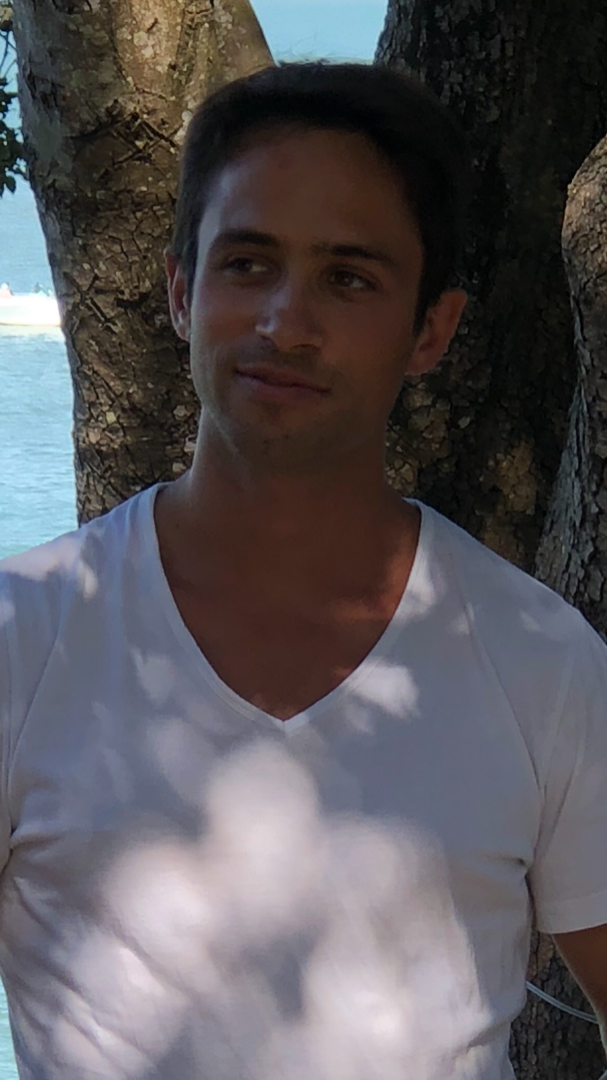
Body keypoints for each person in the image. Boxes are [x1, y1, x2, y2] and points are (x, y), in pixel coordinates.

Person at [0, 62, 606, 1080]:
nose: (285, 323)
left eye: (348, 278)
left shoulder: (539, 663)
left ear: (431, 329)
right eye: (247, 263)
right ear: (181, 292)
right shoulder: (27, 638)